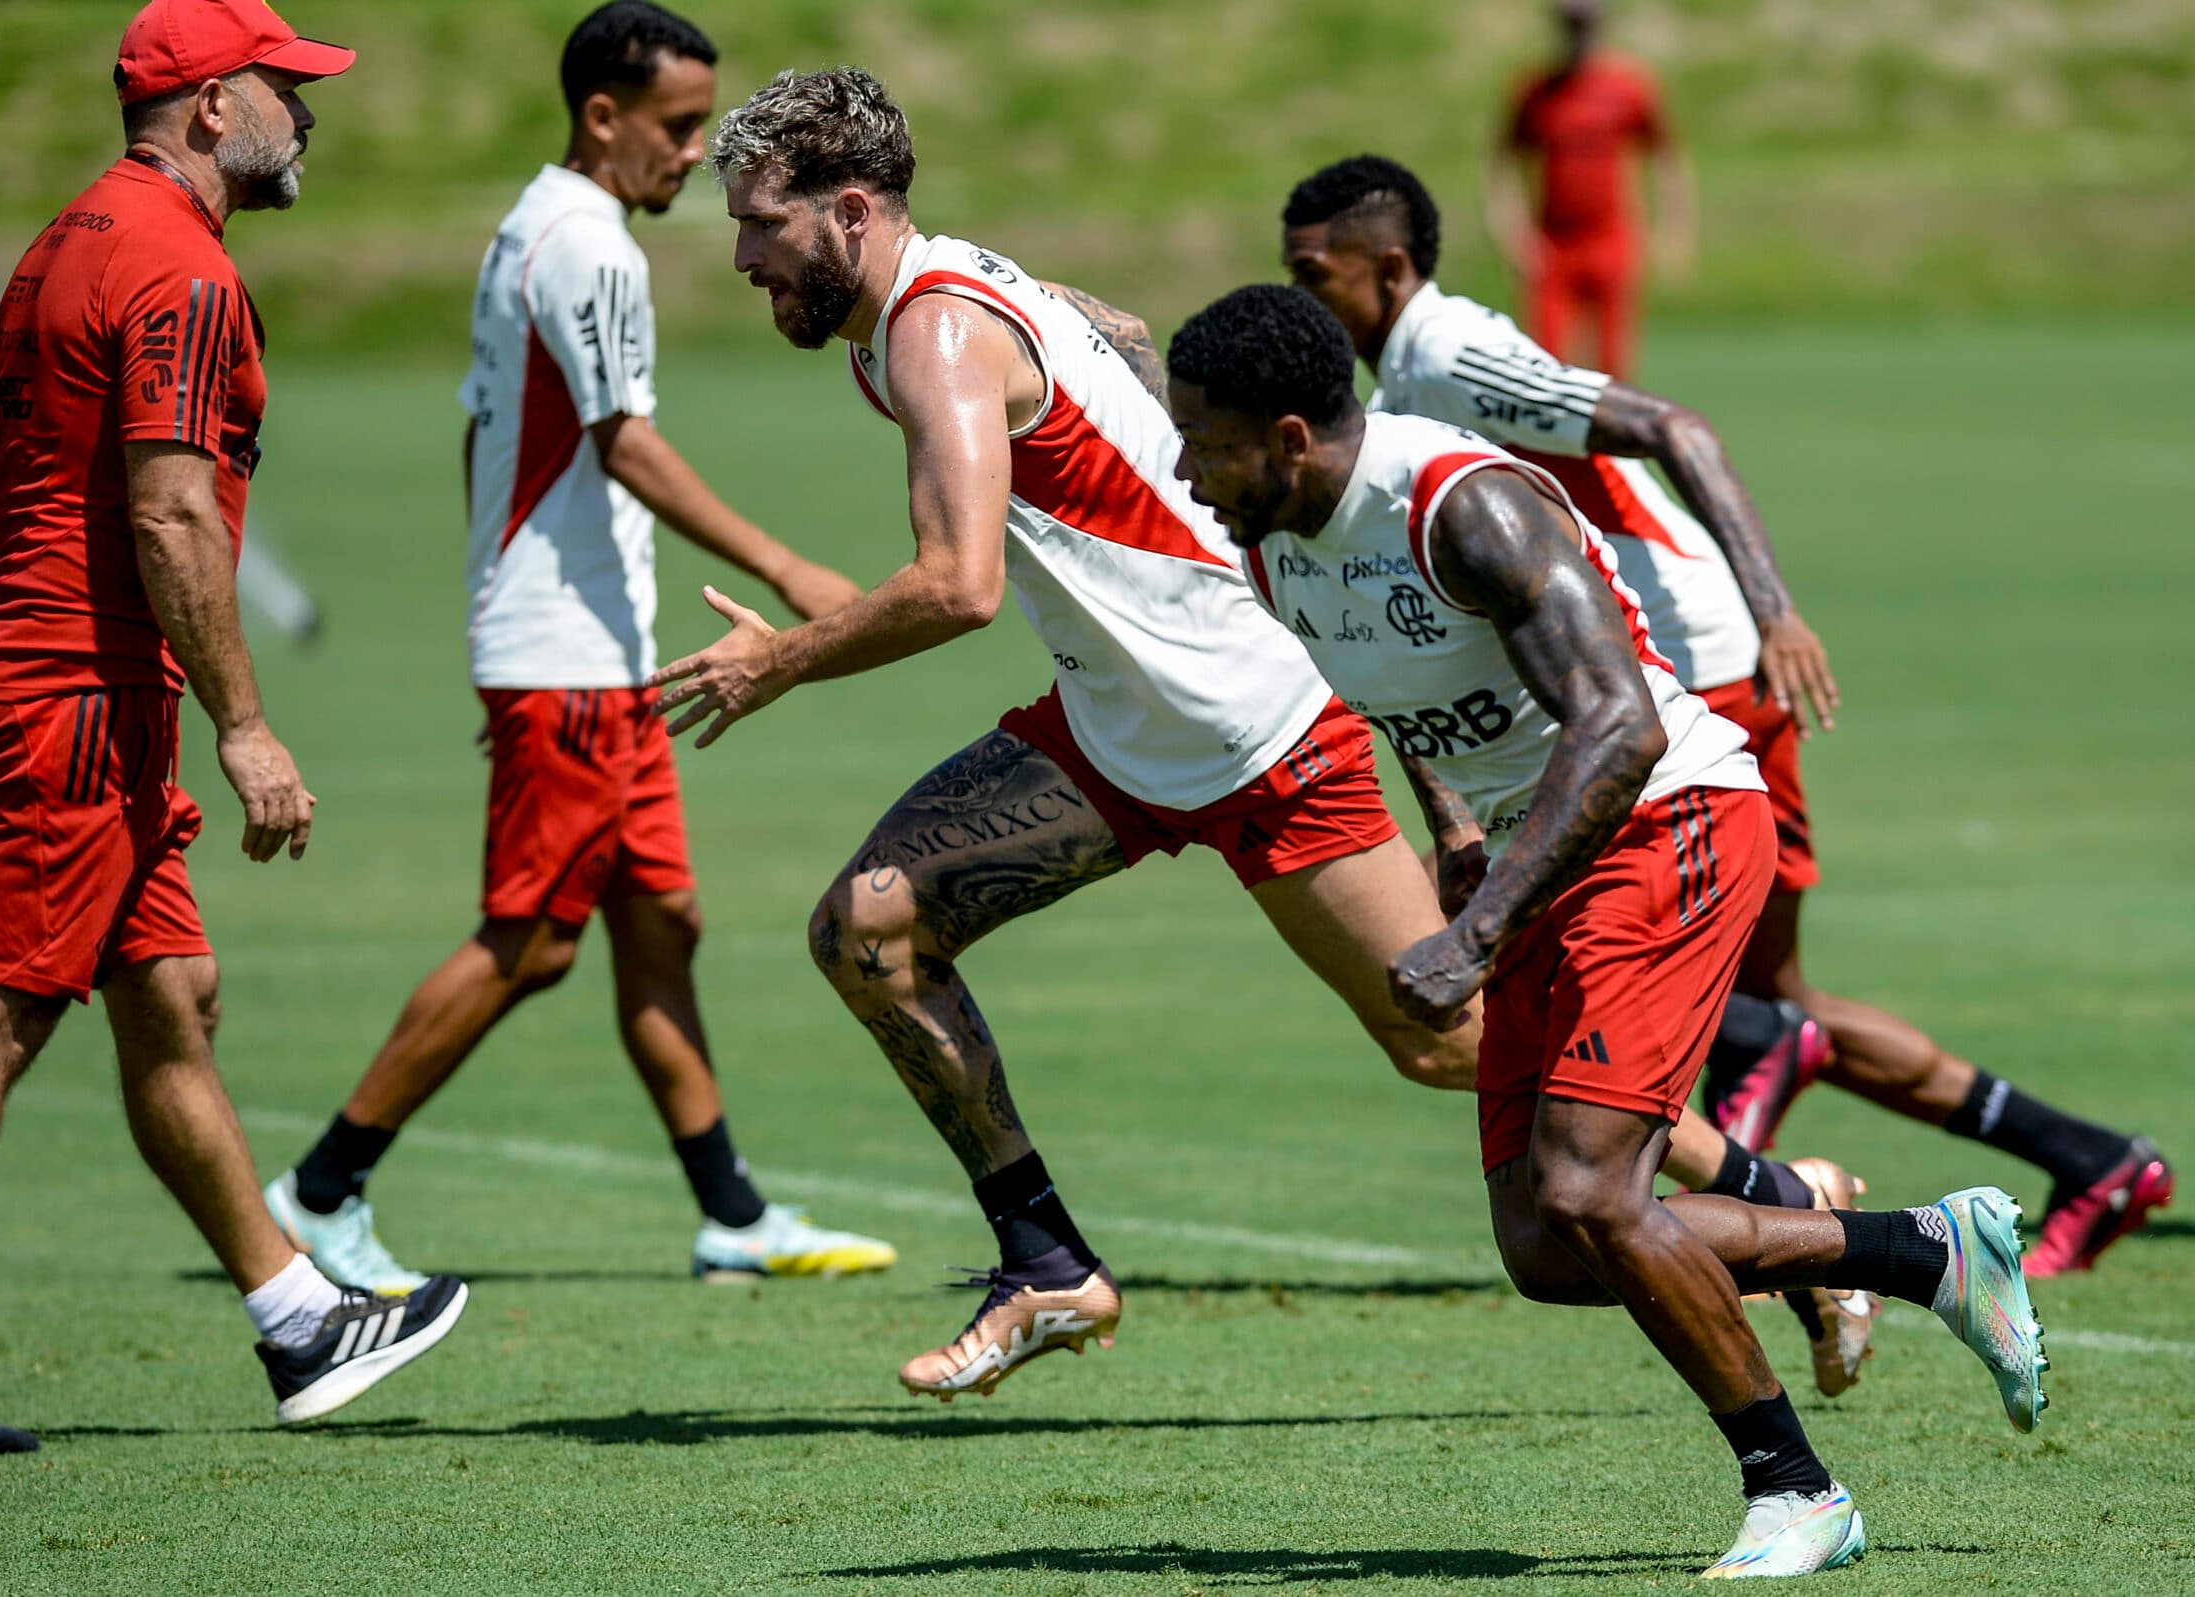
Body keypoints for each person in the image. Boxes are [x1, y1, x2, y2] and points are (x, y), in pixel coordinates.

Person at [653, 67, 1840, 1404]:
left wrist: (781, 658)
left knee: (1448, 1036)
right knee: (868, 928)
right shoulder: (941, 291)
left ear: (851, 209)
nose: (745, 255)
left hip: (1259, 726)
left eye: (761, 223)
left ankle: (1789, 1207)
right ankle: (1045, 1261)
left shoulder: (932, 333)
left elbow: (959, 583)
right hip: (1118, 729)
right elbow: (1124, 327)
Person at [1163, 283, 2051, 1579]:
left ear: (1290, 437)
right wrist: (1459, 832)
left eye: (1209, 443)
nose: (1190, 473)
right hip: (1548, 845)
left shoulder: (1462, 505)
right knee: (1548, 1248)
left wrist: (1473, 938)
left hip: (1668, 815)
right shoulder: (1275, 539)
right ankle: (1922, 1250)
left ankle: (1799, 1493)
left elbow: (1621, 726)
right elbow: (1419, 700)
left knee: (1592, 1188)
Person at [1281, 154, 2172, 1276]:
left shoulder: (1446, 357)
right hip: (1628, 678)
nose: (1297, 295)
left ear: (1390, 267)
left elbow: (1678, 428)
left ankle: (1827, 1211)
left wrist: (1777, 614)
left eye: (1313, 273)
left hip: (1683, 676)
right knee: (1764, 998)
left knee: (1727, 1007)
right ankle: (2072, 1159)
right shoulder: (1385, 392)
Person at [0, 0, 467, 1464]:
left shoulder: (71, 234)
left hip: (51, 672)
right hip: (77, 693)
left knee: (176, 993)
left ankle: (298, 1318)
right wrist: (249, 723)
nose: (308, 112)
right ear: (211, 109)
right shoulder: (178, 268)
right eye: (285, 88)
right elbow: (167, 508)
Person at [263, 3, 893, 1289]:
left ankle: (733, 1215)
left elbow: (477, 437)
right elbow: (626, 443)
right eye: (675, 125)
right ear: (603, 116)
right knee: (534, 941)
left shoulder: (528, 228)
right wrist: (785, 567)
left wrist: (497, 605)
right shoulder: (588, 249)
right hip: (565, 657)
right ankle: (318, 1192)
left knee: (660, 923)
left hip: (586, 650)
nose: (694, 150)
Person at [1485, 0, 1689, 376]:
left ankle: (1607, 437)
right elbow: (1504, 164)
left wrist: (1672, 229)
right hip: (1554, 244)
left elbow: (1665, 158)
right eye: (1571, 25)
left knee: (1613, 366)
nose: (1578, 35)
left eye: (1585, 24)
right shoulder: (1535, 93)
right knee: (1544, 365)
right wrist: (1514, 233)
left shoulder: (1628, 86)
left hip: (1610, 238)